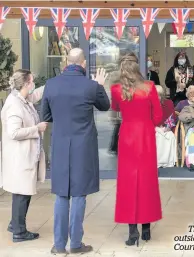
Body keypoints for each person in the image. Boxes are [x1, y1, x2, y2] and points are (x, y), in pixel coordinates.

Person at [41, 48, 110, 254]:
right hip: (83, 147)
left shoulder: (51, 85)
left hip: (61, 145)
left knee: (62, 195)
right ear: (83, 64)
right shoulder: (91, 86)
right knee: (79, 194)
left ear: (66, 63)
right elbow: (105, 106)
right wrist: (99, 85)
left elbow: (45, 114)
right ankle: (76, 244)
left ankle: (59, 246)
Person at [110, 53, 163, 247]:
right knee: (147, 180)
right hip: (146, 136)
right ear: (137, 68)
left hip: (127, 138)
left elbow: (115, 110)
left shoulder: (116, 89)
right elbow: (157, 116)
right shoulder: (149, 87)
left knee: (128, 182)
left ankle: (132, 233)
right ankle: (146, 228)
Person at [1, 69, 47, 242]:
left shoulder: (22, 99)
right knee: (21, 193)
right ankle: (19, 232)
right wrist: (37, 129)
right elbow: (13, 132)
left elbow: (34, 96)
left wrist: (50, 85)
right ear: (26, 83)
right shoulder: (14, 105)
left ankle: (15, 224)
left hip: (24, 155)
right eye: (32, 81)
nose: (33, 83)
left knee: (23, 191)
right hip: (19, 157)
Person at [155, 85, 176, 168]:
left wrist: (167, 127)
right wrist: (156, 128)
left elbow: (172, 117)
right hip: (153, 129)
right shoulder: (148, 104)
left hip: (166, 128)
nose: (157, 97)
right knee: (156, 136)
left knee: (169, 136)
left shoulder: (168, 103)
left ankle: (167, 162)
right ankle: (156, 162)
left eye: (159, 95)